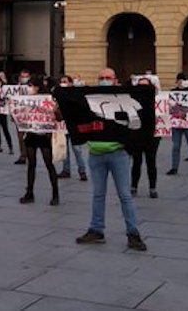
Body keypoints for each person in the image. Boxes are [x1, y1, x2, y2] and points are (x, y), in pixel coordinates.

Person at [75, 67, 147, 252]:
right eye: (101, 78)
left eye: (108, 78)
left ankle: (133, 233)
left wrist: (129, 146)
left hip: (118, 153)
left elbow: (136, 121)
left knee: (125, 195)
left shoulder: (123, 99)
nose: (104, 80)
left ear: (115, 80)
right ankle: (96, 229)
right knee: (98, 195)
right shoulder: (90, 100)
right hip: (95, 153)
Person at [19, 77, 61, 205]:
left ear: (38, 87)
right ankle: (29, 192)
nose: (29, 88)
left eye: (31, 85)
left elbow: (58, 117)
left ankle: (55, 194)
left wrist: (54, 110)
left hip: (44, 135)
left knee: (49, 164)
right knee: (31, 164)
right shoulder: (26, 100)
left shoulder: (47, 99)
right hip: (31, 134)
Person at [130, 76, 162, 198]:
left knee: (151, 162)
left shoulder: (158, 100)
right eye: (140, 86)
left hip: (152, 136)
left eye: (146, 86)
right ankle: (133, 186)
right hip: (137, 135)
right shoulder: (133, 101)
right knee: (136, 162)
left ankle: (152, 188)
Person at [57, 75, 88, 182]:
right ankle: (66, 170)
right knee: (64, 149)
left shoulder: (75, 94)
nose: (63, 83)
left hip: (73, 125)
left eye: (65, 81)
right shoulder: (58, 95)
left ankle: (82, 171)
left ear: (70, 83)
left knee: (77, 149)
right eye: (61, 81)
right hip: (63, 126)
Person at [13, 69, 32, 165]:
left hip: (31, 116)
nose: (24, 78)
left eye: (26, 76)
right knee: (21, 137)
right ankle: (23, 155)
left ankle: (30, 154)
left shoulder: (32, 87)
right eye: (22, 76)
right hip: (19, 116)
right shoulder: (14, 89)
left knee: (30, 137)